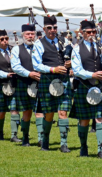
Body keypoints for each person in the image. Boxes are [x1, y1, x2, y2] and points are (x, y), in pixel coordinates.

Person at [70, 19, 102, 158]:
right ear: (83, 33)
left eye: (94, 31)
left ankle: (101, 150)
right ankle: (83, 147)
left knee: (100, 118)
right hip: (84, 86)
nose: (92, 34)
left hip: (99, 86)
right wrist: (93, 74)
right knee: (84, 120)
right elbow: (77, 70)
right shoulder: (76, 49)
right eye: (89, 32)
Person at [32, 15, 72, 153]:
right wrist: (52, 69)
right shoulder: (38, 44)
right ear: (44, 29)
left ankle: (64, 143)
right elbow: (36, 65)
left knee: (63, 112)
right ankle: (46, 141)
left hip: (63, 80)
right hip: (47, 81)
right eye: (49, 28)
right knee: (49, 113)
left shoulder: (64, 41)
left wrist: (70, 63)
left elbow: (74, 56)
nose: (52, 30)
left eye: (55, 27)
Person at [0, 29, 21, 142]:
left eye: (6, 39)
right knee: (1, 111)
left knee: (14, 109)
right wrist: (6, 75)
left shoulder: (14, 51)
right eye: (2, 39)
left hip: (14, 83)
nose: (5, 41)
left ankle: (14, 135)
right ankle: (0, 133)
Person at [10, 24, 40, 146]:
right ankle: (25, 138)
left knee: (39, 111)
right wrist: (29, 74)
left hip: (39, 83)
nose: (30, 36)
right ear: (23, 35)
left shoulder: (39, 48)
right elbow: (15, 66)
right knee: (26, 112)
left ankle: (41, 139)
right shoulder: (17, 49)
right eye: (27, 34)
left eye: (32, 34)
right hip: (24, 82)